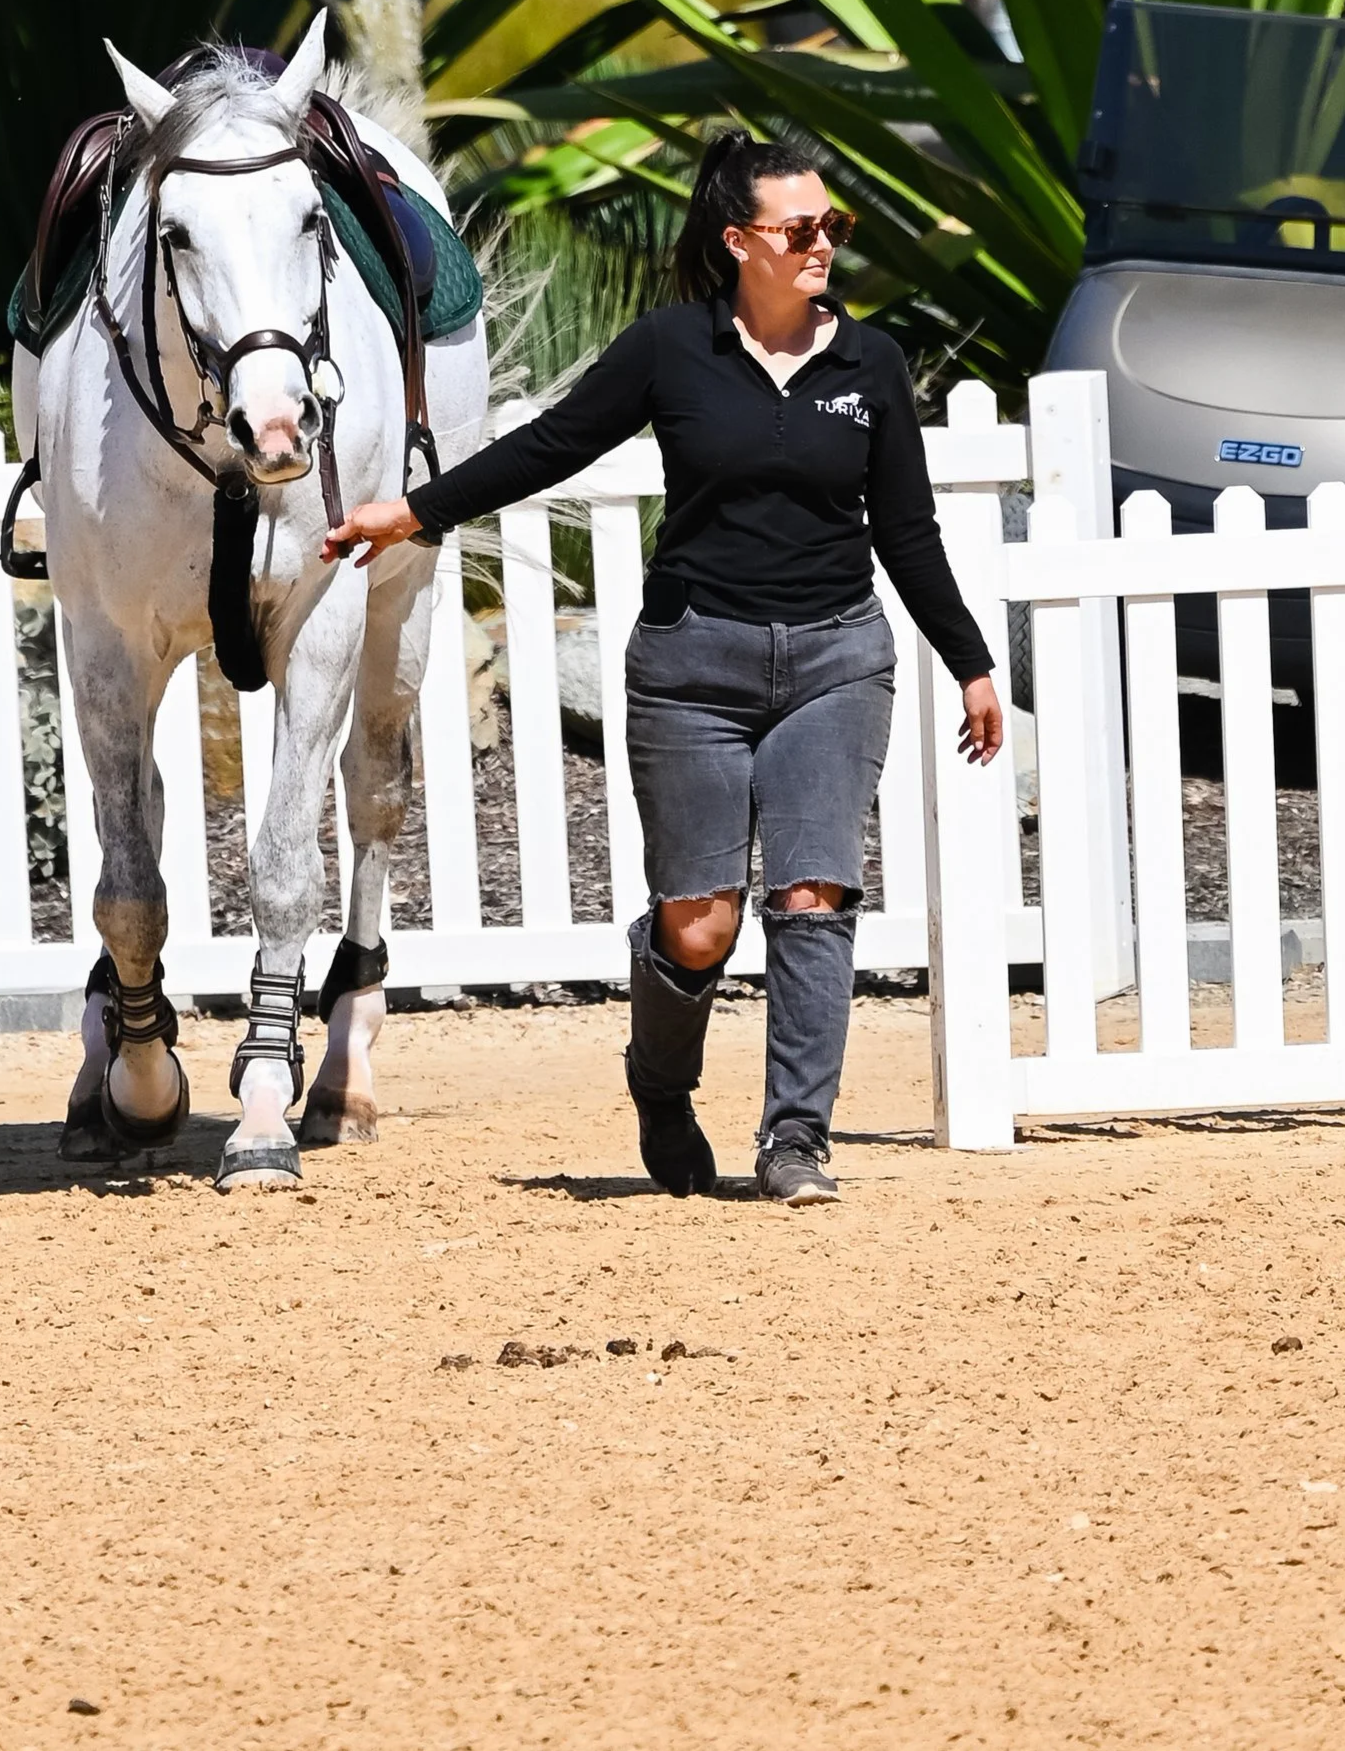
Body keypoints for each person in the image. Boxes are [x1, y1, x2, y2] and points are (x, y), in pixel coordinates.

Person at [322, 133, 1003, 1205]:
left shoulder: (867, 364)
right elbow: (549, 445)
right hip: (694, 662)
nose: (823, 243)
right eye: (799, 228)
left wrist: (966, 662)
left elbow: (906, 532)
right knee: (700, 924)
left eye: (835, 226)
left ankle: (794, 1141)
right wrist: (413, 509)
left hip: (835, 657)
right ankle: (659, 1082)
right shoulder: (670, 349)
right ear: (738, 242)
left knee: (813, 896)